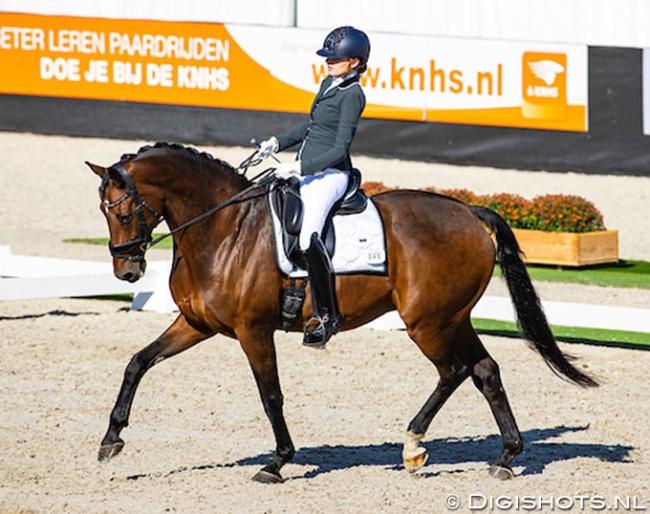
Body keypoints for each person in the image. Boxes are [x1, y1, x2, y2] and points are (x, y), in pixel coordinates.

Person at [258, 26, 370, 348]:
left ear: (354, 62)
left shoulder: (353, 95)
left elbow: (339, 148)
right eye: (327, 58)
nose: (328, 62)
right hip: (308, 169)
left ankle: (327, 315)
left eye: (335, 59)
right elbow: (311, 126)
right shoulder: (329, 84)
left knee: (308, 237)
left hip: (331, 175)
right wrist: (277, 143)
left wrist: (300, 167)